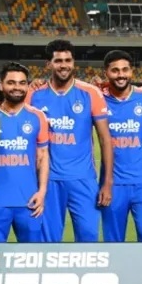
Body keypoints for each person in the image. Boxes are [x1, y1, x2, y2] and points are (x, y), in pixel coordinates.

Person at [28, 39, 112, 242]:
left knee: (88, 239)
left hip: (82, 179)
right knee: (48, 242)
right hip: (48, 181)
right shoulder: (34, 94)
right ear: (49, 64)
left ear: (73, 62)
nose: (63, 65)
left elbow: (105, 139)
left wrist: (107, 183)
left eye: (67, 60)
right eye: (58, 60)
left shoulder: (90, 93)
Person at [0, 63, 49, 242]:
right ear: (1, 85)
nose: (17, 87)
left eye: (21, 83)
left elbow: (43, 156)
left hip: (29, 202)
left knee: (31, 261)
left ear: (27, 85)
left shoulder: (37, 116)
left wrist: (42, 192)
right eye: (11, 82)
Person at [99, 50, 142, 242]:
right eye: (115, 70)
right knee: (113, 242)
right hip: (113, 184)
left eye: (125, 69)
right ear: (106, 73)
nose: (121, 74)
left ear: (132, 71)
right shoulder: (98, 99)